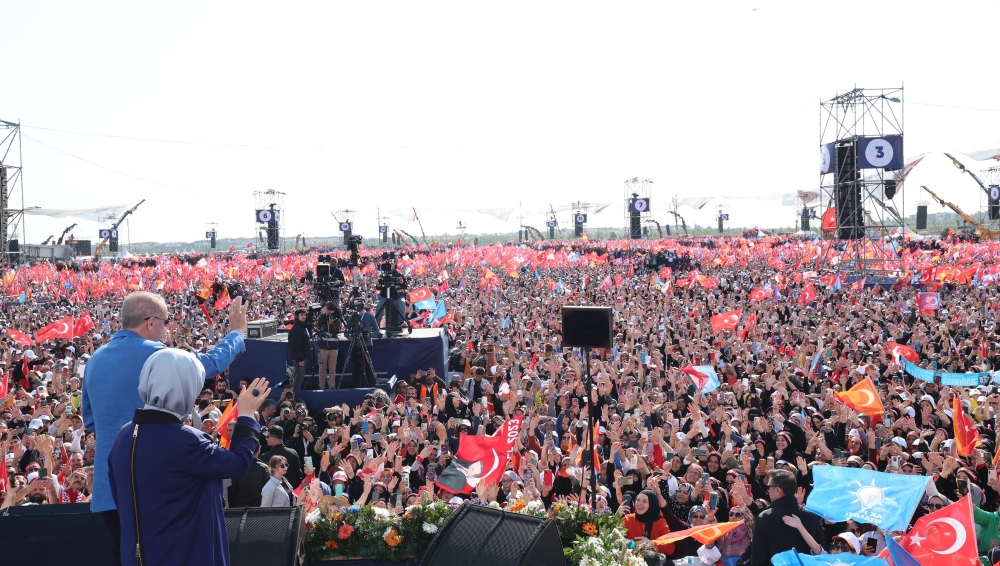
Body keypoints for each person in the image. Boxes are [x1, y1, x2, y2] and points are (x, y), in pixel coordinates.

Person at [81, 291, 248, 564]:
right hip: (159, 487)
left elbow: (90, 422)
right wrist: (236, 335)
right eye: (165, 322)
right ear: (150, 322)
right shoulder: (159, 356)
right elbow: (206, 365)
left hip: (110, 489)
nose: (165, 329)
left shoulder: (94, 360)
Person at [107, 350, 270, 566]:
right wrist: (247, 415)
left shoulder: (123, 435)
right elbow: (238, 463)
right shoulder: (185, 439)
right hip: (183, 554)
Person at [750, 470, 825, 566]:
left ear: (778, 490)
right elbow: (822, 551)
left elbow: (758, 558)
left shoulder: (764, 518)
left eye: (769, 487)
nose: (768, 490)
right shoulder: (811, 515)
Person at [620, 489, 675, 555]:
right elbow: (615, 538)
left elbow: (670, 547)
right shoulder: (627, 519)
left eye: (644, 501)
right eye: (638, 500)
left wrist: (652, 544)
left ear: (652, 504)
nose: (639, 504)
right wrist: (617, 516)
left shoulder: (660, 522)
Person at [227, 444, 271, 508]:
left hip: (240, 507)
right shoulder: (265, 468)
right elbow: (268, 491)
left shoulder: (237, 467)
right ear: (259, 450)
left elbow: (232, 491)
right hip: (259, 508)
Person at [315, 301, 342, 389]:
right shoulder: (322, 318)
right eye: (328, 310)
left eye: (331, 311)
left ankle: (332, 386)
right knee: (322, 369)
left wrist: (331, 323)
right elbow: (318, 325)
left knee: (332, 369)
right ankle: (321, 386)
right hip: (323, 347)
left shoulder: (337, 319)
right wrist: (322, 314)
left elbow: (335, 332)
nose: (330, 313)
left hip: (333, 347)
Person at [287, 308, 311, 390]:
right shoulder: (296, 328)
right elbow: (294, 345)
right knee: (298, 378)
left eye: (304, 315)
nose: (304, 316)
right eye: (301, 315)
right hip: (300, 358)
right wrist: (300, 359)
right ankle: (296, 394)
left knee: (300, 377)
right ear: (297, 316)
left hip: (303, 356)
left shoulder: (303, 326)